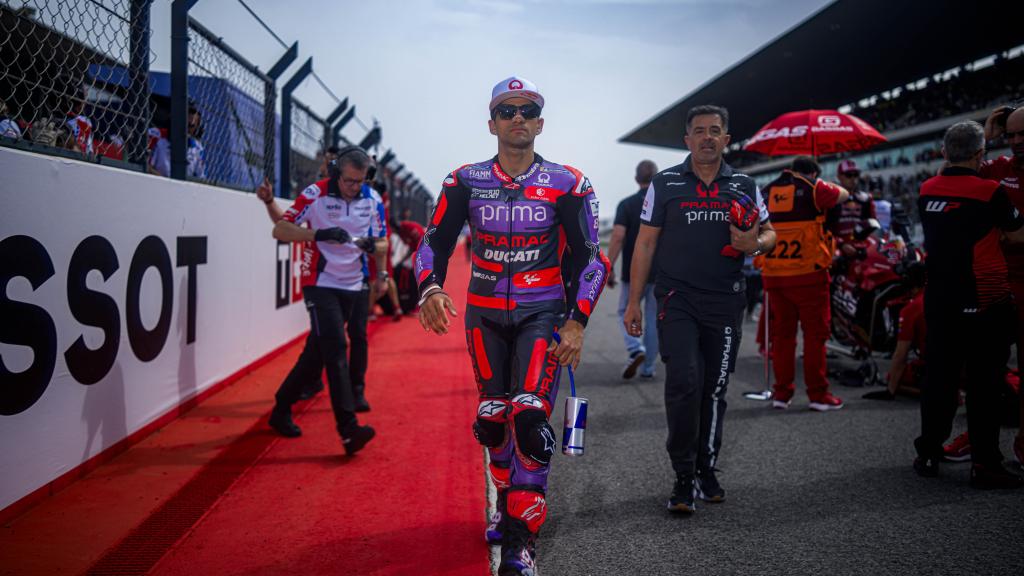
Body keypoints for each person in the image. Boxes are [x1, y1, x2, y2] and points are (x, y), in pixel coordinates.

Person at [415, 76, 608, 575]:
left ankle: (521, 545)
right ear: (492, 123)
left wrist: (577, 322)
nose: (517, 118)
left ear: (540, 123)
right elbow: (433, 241)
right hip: (483, 316)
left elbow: (592, 258)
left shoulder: (569, 182)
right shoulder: (464, 179)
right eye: (507, 111)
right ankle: (508, 502)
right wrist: (430, 288)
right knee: (493, 420)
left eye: (527, 111)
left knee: (528, 420)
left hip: (542, 315)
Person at [624, 104, 776, 514]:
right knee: (684, 382)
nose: (707, 137)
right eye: (699, 131)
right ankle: (683, 475)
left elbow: (770, 231)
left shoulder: (745, 183)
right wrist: (634, 301)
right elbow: (645, 244)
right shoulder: (666, 182)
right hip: (677, 300)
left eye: (715, 130)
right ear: (687, 139)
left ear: (727, 139)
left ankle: (707, 467)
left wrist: (755, 244)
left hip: (726, 301)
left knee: (714, 389)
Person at [912, 121, 1024, 489]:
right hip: (985, 300)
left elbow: (950, 184)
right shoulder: (991, 191)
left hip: (941, 299)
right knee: (985, 384)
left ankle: (928, 453)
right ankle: (986, 464)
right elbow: (1017, 234)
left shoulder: (927, 189)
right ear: (981, 155)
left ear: (944, 154)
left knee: (939, 379)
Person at [269, 146, 387, 455]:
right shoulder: (315, 194)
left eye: (360, 181)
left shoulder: (372, 200)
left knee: (317, 352)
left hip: (354, 284)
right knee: (336, 348)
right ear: (336, 173)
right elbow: (280, 229)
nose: (354, 187)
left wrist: (381, 269)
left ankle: (282, 405)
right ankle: (348, 431)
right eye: (349, 181)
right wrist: (317, 236)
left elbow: (383, 240)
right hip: (319, 282)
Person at [761, 156, 849, 411]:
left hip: (774, 275)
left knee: (783, 337)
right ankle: (818, 395)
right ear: (811, 172)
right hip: (809, 275)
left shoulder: (766, 191)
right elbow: (843, 194)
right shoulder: (815, 188)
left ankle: (781, 394)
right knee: (815, 336)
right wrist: (819, 182)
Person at [982, 104, 1024, 465]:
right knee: (984, 368)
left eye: (1021, 134)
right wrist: (987, 138)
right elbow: (949, 180)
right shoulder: (999, 167)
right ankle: (982, 440)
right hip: (996, 281)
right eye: (1010, 135)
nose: (1015, 142)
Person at [607, 159, 660, 379]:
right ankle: (648, 368)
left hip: (633, 270)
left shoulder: (626, 204)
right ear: (656, 177)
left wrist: (608, 267)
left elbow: (618, 236)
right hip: (659, 272)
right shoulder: (662, 203)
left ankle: (635, 347)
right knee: (653, 318)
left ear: (636, 178)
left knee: (624, 311)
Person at [863, 262, 927, 401]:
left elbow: (900, 355)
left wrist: (890, 390)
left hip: (941, 367)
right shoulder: (945, 296)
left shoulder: (912, 309)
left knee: (893, 376)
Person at [829, 159, 876, 256]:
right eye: (849, 175)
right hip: (837, 248)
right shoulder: (831, 198)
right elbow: (825, 228)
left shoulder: (866, 198)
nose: (853, 178)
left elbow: (872, 224)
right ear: (839, 177)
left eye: (856, 175)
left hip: (861, 246)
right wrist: (840, 244)